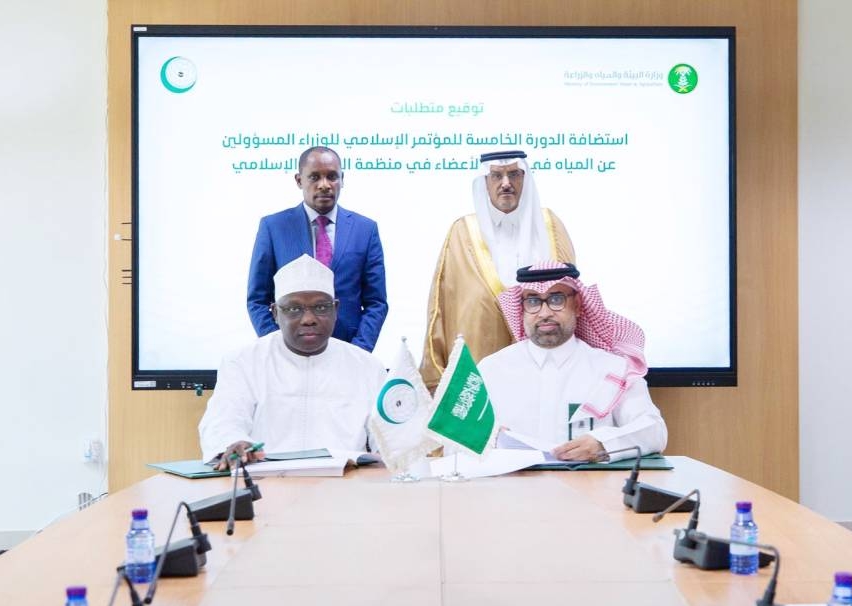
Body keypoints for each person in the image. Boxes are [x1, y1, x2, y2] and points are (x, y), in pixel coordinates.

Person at [202, 255, 386, 466]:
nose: (309, 319)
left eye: (321, 307)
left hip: (347, 481)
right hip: (267, 480)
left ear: (336, 309)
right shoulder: (243, 362)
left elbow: (391, 438)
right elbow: (222, 421)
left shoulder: (367, 367)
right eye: (293, 309)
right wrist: (234, 442)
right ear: (275, 313)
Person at [478, 260, 667, 461]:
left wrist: (603, 444)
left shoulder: (614, 368)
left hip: (588, 482)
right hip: (515, 481)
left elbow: (654, 430)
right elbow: (459, 441)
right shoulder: (491, 369)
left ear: (577, 305)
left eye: (556, 299)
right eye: (533, 301)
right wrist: (486, 440)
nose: (545, 313)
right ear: (521, 308)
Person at [420, 150, 575, 389]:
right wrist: (436, 382)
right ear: (485, 182)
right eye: (496, 176)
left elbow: (571, 298)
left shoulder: (549, 227)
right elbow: (439, 310)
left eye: (514, 174)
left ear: (525, 178)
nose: (506, 183)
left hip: (546, 370)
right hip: (478, 374)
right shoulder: (462, 231)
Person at [247, 146, 388, 352]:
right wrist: (280, 348)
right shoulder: (273, 227)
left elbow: (376, 302)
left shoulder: (365, 229)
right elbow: (257, 300)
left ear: (342, 179)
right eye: (314, 177)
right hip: (289, 353)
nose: (324, 185)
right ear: (299, 180)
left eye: (332, 176)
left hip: (347, 351)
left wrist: (359, 351)